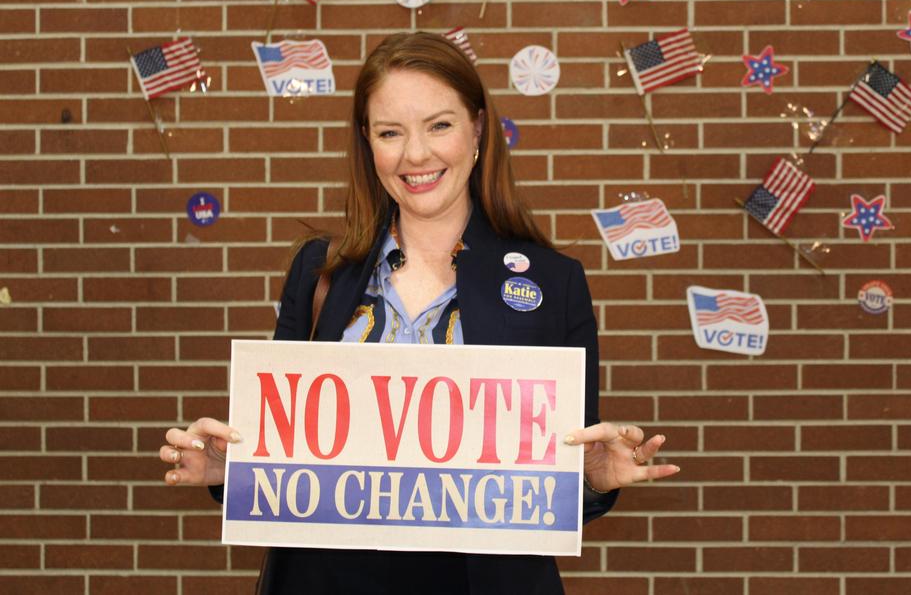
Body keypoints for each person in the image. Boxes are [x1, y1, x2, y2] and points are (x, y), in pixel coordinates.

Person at [159, 32, 679, 594]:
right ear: (367, 141)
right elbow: (278, 461)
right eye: (390, 132)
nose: (415, 155)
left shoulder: (554, 282)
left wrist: (592, 482)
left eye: (439, 125)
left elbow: (558, 487)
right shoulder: (318, 272)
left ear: (477, 128)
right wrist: (229, 471)